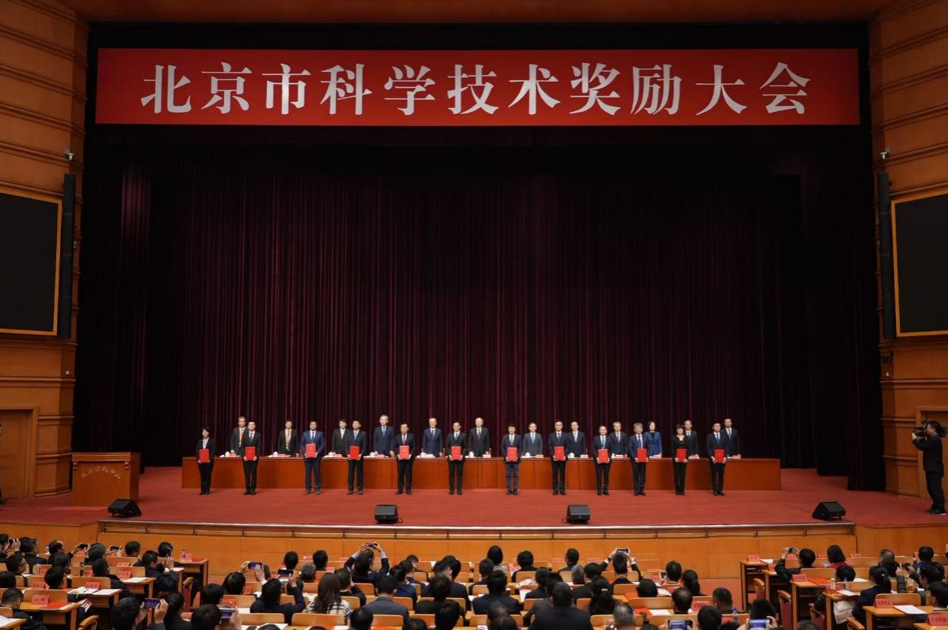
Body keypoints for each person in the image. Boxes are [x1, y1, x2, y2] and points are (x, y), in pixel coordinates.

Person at [912, 420, 946, 514]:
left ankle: (941, 508)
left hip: (935, 468)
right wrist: (923, 436)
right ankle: (935, 506)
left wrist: (914, 439)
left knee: (936, 489)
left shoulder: (935, 439)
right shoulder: (931, 439)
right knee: (931, 488)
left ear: (933, 429)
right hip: (930, 467)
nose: (926, 429)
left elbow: (922, 446)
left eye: (928, 428)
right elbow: (924, 443)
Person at [300, 420, 324, 495]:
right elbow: (302, 444)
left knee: (317, 473)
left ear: (316, 426)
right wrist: (305, 452)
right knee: (308, 473)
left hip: (316, 457)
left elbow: (322, 444)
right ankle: (308, 489)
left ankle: (317, 488)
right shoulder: (305, 434)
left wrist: (317, 452)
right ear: (309, 426)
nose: (313, 425)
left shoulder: (320, 433)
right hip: (307, 457)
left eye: (314, 424)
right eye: (311, 424)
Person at [345, 420, 368, 495]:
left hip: (359, 456)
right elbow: (346, 445)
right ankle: (350, 489)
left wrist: (361, 454)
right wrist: (347, 454)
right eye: (353, 423)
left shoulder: (363, 433)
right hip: (350, 456)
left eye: (356, 423)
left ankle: (360, 489)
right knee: (350, 473)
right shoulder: (348, 433)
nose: (354, 425)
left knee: (359, 473)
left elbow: (364, 445)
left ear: (359, 425)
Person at [241, 420, 262, 495]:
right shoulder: (244, 434)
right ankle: (247, 489)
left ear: (255, 426)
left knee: (253, 473)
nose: (251, 426)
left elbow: (259, 446)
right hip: (245, 458)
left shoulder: (258, 435)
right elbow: (242, 446)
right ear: (248, 426)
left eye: (253, 424)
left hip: (254, 458)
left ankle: (253, 489)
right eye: (250, 425)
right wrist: (244, 455)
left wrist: (256, 455)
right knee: (246, 473)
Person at [706, 421, 727, 496]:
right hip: (713, 459)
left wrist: (725, 457)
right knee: (714, 475)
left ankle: (720, 490)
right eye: (716, 426)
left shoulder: (724, 436)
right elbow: (708, 447)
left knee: (721, 475)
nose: (717, 427)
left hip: (722, 459)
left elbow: (726, 447)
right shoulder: (709, 436)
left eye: (719, 426)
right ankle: (715, 490)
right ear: (713, 427)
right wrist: (711, 457)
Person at [549, 420, 569, 495]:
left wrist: (565, 455)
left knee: (562, 474)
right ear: (555, 426)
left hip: (563, 458)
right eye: (557, 425)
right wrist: (553, 455)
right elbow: (550, 446)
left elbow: (568, 446)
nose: (558, 426)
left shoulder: (566, 435)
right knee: (555, 474)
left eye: (560, 425)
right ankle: (555, 489)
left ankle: (562, 490)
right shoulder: (551, 435)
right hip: (554, 458)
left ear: (562, 426)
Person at [446, 421, 466, 495]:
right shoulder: (449, 435)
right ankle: (451, 489)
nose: (456, 427)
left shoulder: (463, 435)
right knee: (451, 474)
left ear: (460, 427)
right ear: (453, 427)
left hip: (460, 458)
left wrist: (462, 455)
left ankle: (459, 490)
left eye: (457, 426)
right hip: (451, 458)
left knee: (459, 473)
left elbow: (465, 447)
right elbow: (447, 446)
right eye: (454, 426)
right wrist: (449, 455)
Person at [503, 424, 523, 495]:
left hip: (516, 460)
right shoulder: (504, 437)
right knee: (508, 475)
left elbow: (521, 448)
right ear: (508, 429)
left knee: (516, 475)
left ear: (514, 429)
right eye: (510, 428)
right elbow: (502, 447)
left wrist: (517, 456)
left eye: (512, 428)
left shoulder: (519, 437)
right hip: (507, 460)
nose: (511, 430)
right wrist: (506, 456)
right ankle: (509, 490)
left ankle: (515, 490)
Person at [396, 422, 415, 495]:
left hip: (409, 459)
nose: (403, 429)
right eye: (402, 427)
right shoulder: (397, 436)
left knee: (408, 474)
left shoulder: (411, 436)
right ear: (400, 429)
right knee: (400, 474)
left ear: (407, 429)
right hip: (400, 459)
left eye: (404, 427)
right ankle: (400, 489)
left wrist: (411, 454)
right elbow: (395, 447)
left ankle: (408, 489)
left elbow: (414, 447)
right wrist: (398, 454)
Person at [629, 422, 648, 496]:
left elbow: (648, 447)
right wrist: (634, 457)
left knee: (643, 475)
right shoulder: (631, 438)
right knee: (636, 475)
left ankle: (642, 490)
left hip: (643, 459)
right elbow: (630, 449)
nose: (639, 429)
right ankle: (636, 490)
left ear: (642, 429)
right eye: (637, 428)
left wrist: (647, 456)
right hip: (635, 460)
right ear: (634, 430)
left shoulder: (645, 437)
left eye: (640, 428)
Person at [195, 427, 215, 495]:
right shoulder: (200, 441)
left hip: (209, 462)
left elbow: (213, 451)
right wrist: (198, 459)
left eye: (206, 432)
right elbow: (197, 451)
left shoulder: (212, 441)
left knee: (208, 476)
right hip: (201, 462)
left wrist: (210, 459)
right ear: (202, 433)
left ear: (208, 433)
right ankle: (202, 490)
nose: (205, 433)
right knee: (202, 476)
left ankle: (207, 490)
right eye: (203, 432)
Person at [593, 425, 612, 495]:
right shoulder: (595, 438)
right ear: (599, 431)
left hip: (607, 460)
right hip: (598, 460)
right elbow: (593, 449)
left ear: (606, 431)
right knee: (598, 475)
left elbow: (611, 449)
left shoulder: (609, 438)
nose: (603, 431)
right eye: (601, 430)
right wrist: (597, 457)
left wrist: (609, 457)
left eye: (604, 430)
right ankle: (599, 490)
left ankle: (605, 489)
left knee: (606, 475)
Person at [672, 423, 689, 495]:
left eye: (681, 429)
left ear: (683, 430)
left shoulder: (686, 438)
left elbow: (688, 449)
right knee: (676, 474)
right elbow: (672, 449)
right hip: (676, 459)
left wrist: (686, 458)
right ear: (676, 430)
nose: (680, 430)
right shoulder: (673, 438)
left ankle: (682, 490)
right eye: (678, 429)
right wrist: (674, 457)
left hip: (684, 460)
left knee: (683, 474)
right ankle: (677, 490)